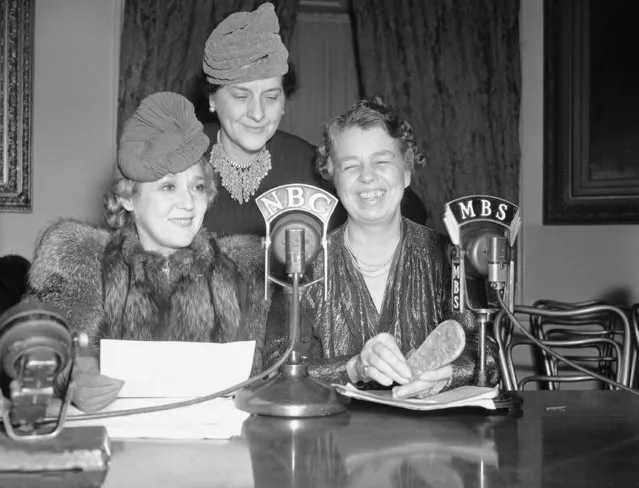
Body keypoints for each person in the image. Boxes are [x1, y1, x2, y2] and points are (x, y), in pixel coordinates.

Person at [24, 92, 268, 412]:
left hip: (211, 454)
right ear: (128, 198)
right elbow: (23, 357)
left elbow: (278, 372)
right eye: (168, 187)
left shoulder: (243, 269)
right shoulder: (79, 263)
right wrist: (68, 377)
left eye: (197, 186)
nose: (188, 203)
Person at [263, 96, 498, 399]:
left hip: (431, 442)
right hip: (333, 440)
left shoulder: (449, 258)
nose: (367, 176)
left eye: (382, 161)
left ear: (407, 171)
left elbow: (486, 354)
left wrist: (450, 375)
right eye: (350, 166)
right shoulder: (303, 265)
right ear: (333, 177)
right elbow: (275, 371)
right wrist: (353, 367)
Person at [199, 2, 427, 235]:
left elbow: (413, 211)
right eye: (240, 95)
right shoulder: (178, 157)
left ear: (284, 102)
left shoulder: (311, 165)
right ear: (212, 99)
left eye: (270, 97)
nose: (257, 113)